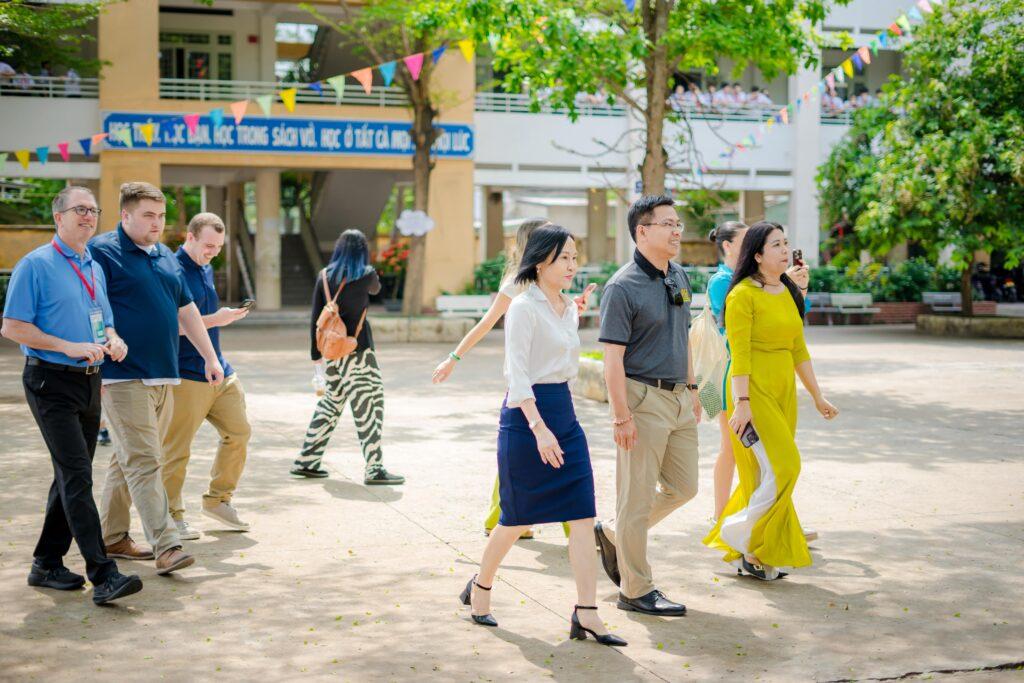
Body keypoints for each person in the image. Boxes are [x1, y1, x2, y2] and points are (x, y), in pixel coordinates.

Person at [459, 225, 626, 647]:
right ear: (539, 262)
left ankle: (586, 612)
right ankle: (481, 587)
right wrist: (539, 429)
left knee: (582, 515)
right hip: (526, 418)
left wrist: (574, 309)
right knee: (515, 519)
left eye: (574, 256)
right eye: (563, 258)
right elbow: (517, 376)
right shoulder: (523, 308)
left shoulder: (567, 307)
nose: (572, 265)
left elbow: (562, 363)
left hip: (564, 415)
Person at [1, 186, 142, 605]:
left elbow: (104, 322)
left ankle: (46, 563)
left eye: (93, 210)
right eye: (79, 209)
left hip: (90, 380)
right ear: (58, 217)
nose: (88, 216)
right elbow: (12, 326)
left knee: (70, 474)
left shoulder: (93, 265)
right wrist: (66, 346)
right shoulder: (35, 265)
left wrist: (114, 339)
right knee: (78, 475)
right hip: (50, 381)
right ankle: (104, 575)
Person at [91, 181, 224, 576]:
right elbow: (90, 307)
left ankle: (112, 536)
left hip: (165, 373)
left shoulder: (165, 255)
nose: (157, 223)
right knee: (145, 461)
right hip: (121, 375)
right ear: (125, 215)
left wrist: (210, 357)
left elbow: (187, 311)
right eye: (148, 215)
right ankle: (166, 545)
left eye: (162, 216)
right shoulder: (102, 252)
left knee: (129, 459)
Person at [433, 218, 593, 540]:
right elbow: (486, 323)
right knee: (520, 459)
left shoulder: (553, 283)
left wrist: (572, 308)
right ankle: (509, 521)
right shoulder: (517, 286)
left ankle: (572, 529)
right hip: (526, 384)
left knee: (539, 458)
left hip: (554, 388)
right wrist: (454, 357)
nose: (567, 258)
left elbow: (554, 321)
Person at [703, 222, 839, 581]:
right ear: (758, 255)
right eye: (775, 245)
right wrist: (743, 402)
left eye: (786, 243)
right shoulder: (741, 294)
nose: (784, 250)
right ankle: (738, 532)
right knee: (785, 467)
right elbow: (740, 354)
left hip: (783, 390)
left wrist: (817, 395)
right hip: (752, 389)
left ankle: (755, 551)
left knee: (768, 471)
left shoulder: (789, 291)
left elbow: (798, 348)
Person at [592, 195, 700, 617]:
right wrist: (621, 416)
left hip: (679, 398)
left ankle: (614, 531)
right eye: (667, 224)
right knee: (635, 500)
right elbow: (612, 361)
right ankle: (635, 590)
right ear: (642, 231)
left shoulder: (679, 275)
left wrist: (693, 388)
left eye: (678, 223)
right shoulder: (622, 287)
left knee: (685, 487)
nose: (677, 231)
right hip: (641, 398)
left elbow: (684, 335)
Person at [160, 212, 252, 541]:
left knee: (239, 432)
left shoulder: (206, 267)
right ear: (190, 237)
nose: (213, 252)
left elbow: (203, 318)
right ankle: (170, 516)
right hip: (186, 374)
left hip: (220, 370)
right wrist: (217, 319)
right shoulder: (170, 270)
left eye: (219, 247)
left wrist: (222, 318)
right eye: (209, 245)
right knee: (176, 450)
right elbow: (170, 325)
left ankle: (217, 500)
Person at [292, 229, 403, 485]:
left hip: (332, 352)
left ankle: (306, 461)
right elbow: (377, 290)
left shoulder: (324, 276)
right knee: (370, 405)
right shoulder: (367, 275)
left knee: (331, 404)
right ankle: (374, 469)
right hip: (358, 351)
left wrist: (316, 355)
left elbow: (315, 318)